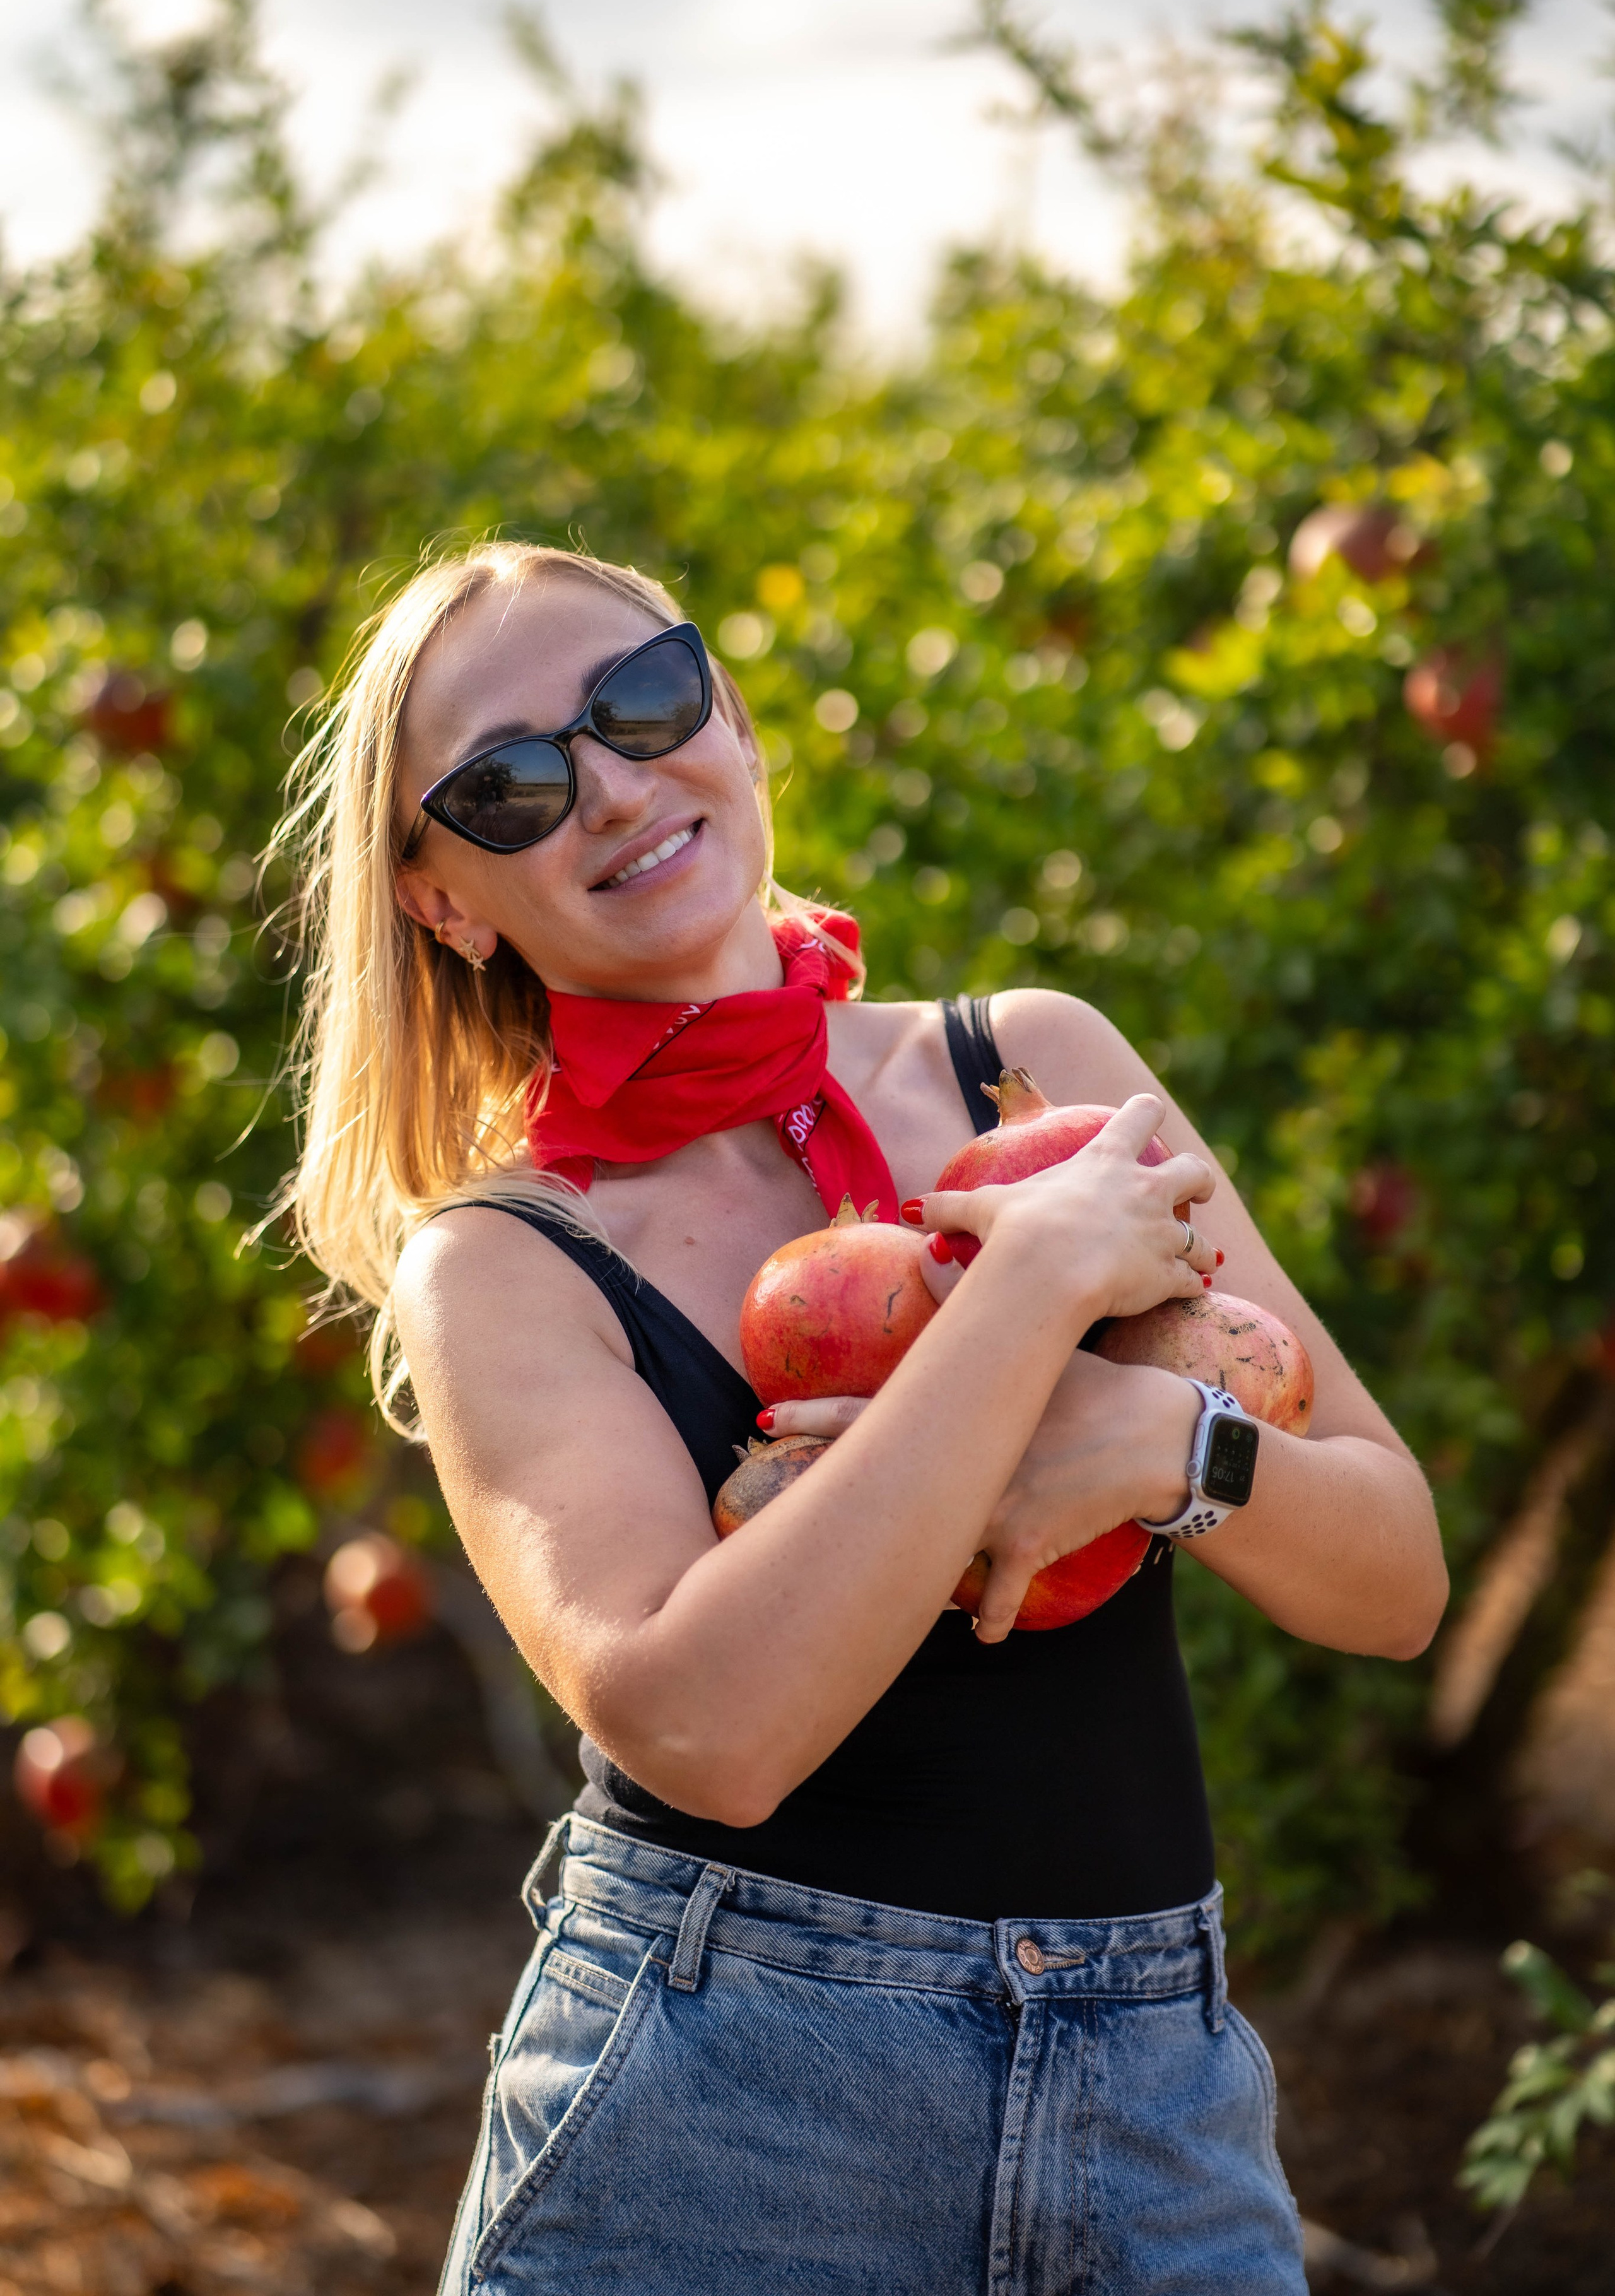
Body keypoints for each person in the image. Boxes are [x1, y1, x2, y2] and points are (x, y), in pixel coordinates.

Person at [278, 541, 1447, 2295]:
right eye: (509, 789)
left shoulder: (1035, 1068)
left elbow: (1397, 1577)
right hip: (727, 2117)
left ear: (731, 715)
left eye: (644, 701)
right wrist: (1034, 1300)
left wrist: (1155, 1451)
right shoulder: (507, 1264)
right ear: (442, 898)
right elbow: (711, 1731)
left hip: (1154, 2090)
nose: (609, 786)